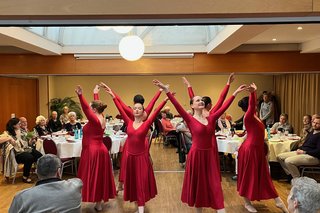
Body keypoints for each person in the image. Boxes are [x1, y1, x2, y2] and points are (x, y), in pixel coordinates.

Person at [154, 79, 246, 213]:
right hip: (196, 156)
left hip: (210, 156)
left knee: (214, 184)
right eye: (197, 100)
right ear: (192, 105)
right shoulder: (190, 119)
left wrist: (234, 92)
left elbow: (223, 104)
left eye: (201, 100)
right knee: (198, 185)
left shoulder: (211, 118)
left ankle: (220, 209)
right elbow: (177, 105)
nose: (201, 101)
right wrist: (166, 90)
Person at [100, 82, 166, 213]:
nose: (136, 110)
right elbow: (120, 108)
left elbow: (155, 110)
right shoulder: (130, 119)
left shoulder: (145, 120)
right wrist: (112, 95)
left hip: (139, 150)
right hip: (132, 152)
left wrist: (165, 96)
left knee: (140, 180)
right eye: (135, 108)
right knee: (133, 178)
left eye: (139, 108)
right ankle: (133, 198)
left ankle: (139, 206)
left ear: (142, 110)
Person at [237, 83, 288, 213]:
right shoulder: (248, 116)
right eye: (254, 103)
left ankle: (278, 201)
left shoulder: (255, 117)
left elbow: (251, 133)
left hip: (256, 149)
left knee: (263, 176)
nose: (257, 104)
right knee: (249, 176)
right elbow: (251, 107)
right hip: (250, 150)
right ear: (250, 105)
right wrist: (253, 92)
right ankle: (248, 202)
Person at [75, 85, 116, 211]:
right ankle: (98, 203)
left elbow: (87, 108)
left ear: (94, 109)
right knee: (99, 177)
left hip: (93, 151)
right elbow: (95, 107)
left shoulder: (94, 119)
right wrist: (95, 94)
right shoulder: (101, 116)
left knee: (93, 177)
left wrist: (81, 96)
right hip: (100, 150)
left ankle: (95, 202)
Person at [9, 154, 83, 213]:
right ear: (59, 171)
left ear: (36, 172)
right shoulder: (75, 186)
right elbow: (78, 181)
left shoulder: (21, 197)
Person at [5, 118, 42, 183]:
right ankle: (25, 177)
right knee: (29, 158)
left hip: (25, 149)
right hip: (16, 153)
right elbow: (9, 145)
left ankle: (40, 173)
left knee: (39, 155)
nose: (20, 125)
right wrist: (11, 140)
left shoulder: (22, 131)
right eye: (19, 124)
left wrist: (31, 139)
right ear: (14, 125)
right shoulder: (8, 133)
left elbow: (28, 144)